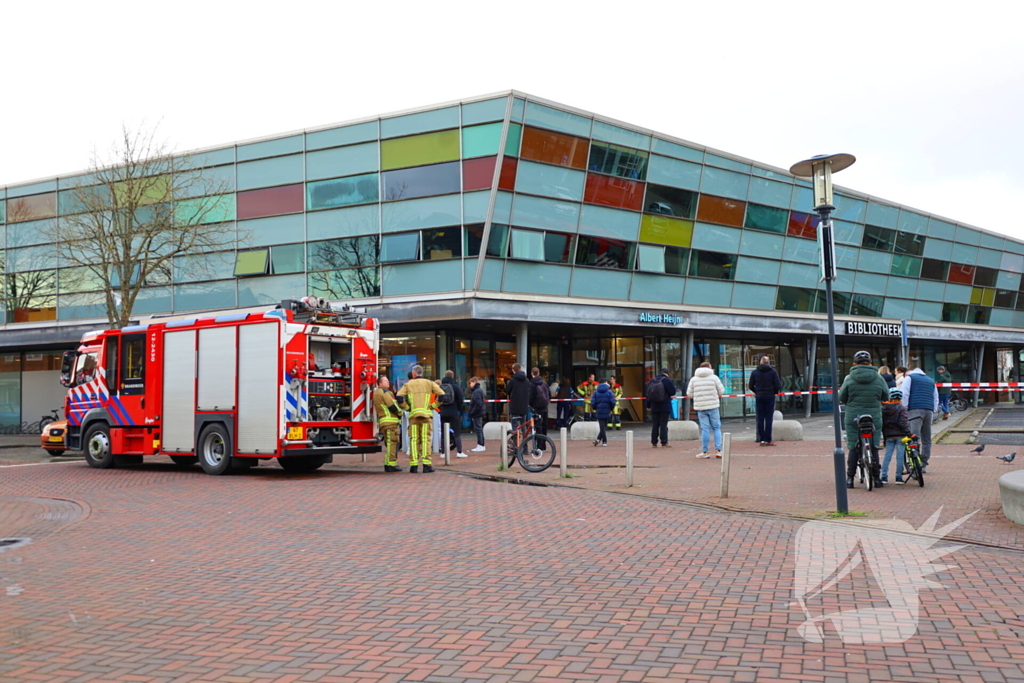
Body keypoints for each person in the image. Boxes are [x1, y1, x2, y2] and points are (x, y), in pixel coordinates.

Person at [838, 350, 889, 489]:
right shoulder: (879, 378)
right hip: (874, 417)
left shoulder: (849, 378)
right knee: (873, 447)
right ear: (871, 363)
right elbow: (886, 396)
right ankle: (877, 479)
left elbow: (841, 397)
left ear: (854, 363)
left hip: (853, 417)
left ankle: (849, 479)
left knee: (854, 447)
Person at [396, 364, 445, 473]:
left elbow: (399, 397)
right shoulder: (429, 383)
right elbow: (442, 395)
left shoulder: (408, 384)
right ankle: (427, 465)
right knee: (426, 440)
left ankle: (414, 466)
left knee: (414, 440)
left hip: (413, 417)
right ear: (422, 373)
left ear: (413, 373)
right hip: (426, 416)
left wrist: (407, 407)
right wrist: (433, 406)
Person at [901, 365, 938, 473]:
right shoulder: (930, 380)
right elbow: (935, 396)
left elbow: (905, 394)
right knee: (926, 439)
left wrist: (904, 409)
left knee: (914, 437)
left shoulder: (909, 378)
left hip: (914, 410)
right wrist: (933, 410)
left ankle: (915, 463)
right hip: (929, 410)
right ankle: (923, 464)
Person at [687, 362, 725, 458]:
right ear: (709, 368)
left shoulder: (694, 379)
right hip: (713, 406)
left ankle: (705, 451)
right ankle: (718, 450)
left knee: (705, 429)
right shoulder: (714, 378)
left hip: (701, 407)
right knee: (716, 428)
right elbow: (722, 391)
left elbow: (689, 394)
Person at [880, 387, 912, 485]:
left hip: (888, 436)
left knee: (887, 456)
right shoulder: (901, 408)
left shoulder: (883, 408)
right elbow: (903, 422)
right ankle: (898, 478)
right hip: (900, 436)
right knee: (900, 457)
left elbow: (882, 423)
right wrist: (908, 433)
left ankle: (884, 477)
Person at [748, 356, 782, 447]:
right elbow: (778, 385)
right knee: (769, 418)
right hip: (770, 396)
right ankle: (768, 439)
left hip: (759, 396)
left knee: (760, 418)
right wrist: (774, 392)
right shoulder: (773, 372)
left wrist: (757, 392)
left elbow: (751, 385)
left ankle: (761, 439)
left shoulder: (755, 372)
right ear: (768, 362)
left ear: (760, 362)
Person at [372, 375, 402, 472]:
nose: (388, 382)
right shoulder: (386, 392)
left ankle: (388, 463)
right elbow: (392, 406)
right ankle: (391, 465)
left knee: (389, 443)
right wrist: (400, 413)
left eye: (388, 380)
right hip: (391, 422)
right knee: (393, 443)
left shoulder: (376, 393)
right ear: (380, 383)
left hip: (384, 422)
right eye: (385, 381)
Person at [439, 370, 466, 458]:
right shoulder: (456, 387)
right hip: (454, 412)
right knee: (457, 432)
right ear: (452, 376)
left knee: (443, 433)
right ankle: (459, 452)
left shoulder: (441, 387)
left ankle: (443, 453)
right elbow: (460, 399)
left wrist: (440, 409)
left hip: (443, 412)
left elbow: (437, 399)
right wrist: (458, 408)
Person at [646, 368, 677, 448]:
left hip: (654, 406)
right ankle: (664, 442)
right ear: (667, 374)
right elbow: (672, 392)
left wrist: (648, 405)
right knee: (663, 424)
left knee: (655, 424)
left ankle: (654, 442)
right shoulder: (666, 380)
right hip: (664, 405)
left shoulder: (652, 380)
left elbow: (648, 394)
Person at [506, 363, 531, 438]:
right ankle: (524, 445)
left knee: (515, 426)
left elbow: (507, 391)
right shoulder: (526, 380)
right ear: (520, 369)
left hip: (515, 406)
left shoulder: (512, 380)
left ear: (513, 370)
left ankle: (516, 444)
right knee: (523, 426)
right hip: (524, 406)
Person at [590, 378, 615, 446]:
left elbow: (593, 403)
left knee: (602, 427)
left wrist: (595, 408)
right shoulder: (609, 392)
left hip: (599, 411)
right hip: (607, 411)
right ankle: (604, 441)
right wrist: (610, 409)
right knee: (604, 427)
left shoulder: (595, 392)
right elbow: (612, 402)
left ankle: (599, 440)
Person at [529, 367, 551, 444]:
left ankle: (539, 444)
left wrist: (531, 405)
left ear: (532, 374)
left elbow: (531, 397)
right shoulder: (544, 383)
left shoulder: (531, 384)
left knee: (538, 426)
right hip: (545, 407)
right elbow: (549, 395)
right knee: (544, 425)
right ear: (538, 373)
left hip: (536, 408)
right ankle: (544, 443)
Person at [468, 376, 486, 452]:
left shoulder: (477, 391)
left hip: (477, 413)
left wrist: (472, 413)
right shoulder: (478, 390)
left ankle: (480, 444)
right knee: (479, 428)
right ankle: (481, 444)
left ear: (474, 382)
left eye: (471, 383)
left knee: (478, 429)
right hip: (478, 412)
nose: (470, 385)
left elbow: (478, 404)